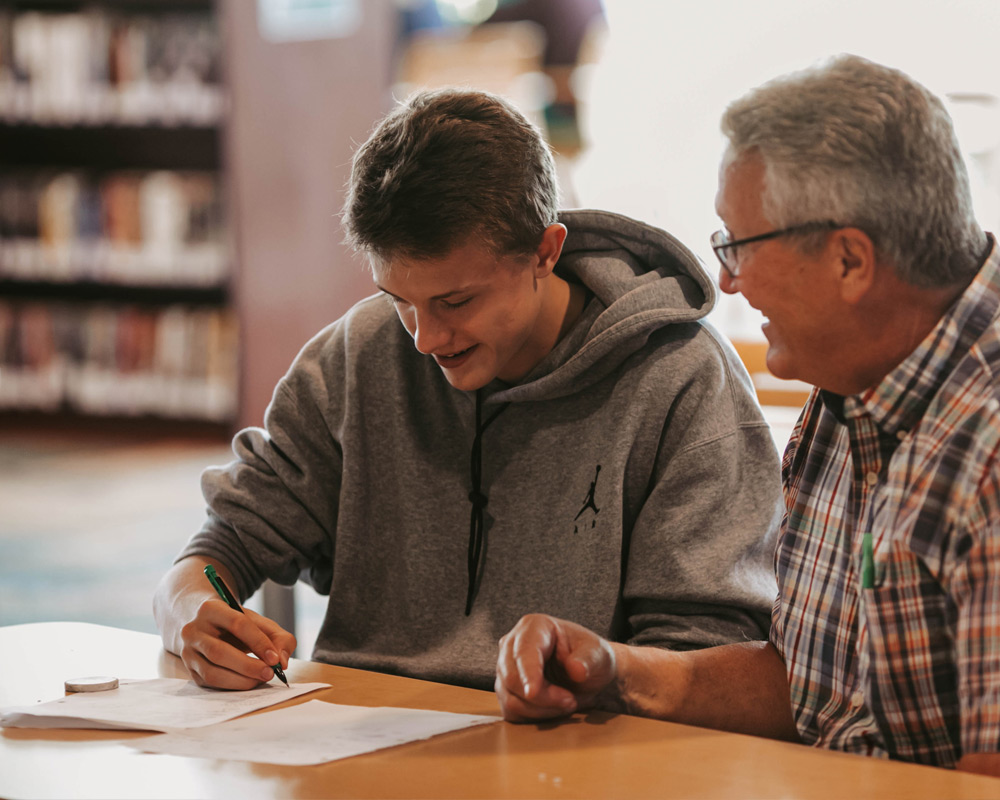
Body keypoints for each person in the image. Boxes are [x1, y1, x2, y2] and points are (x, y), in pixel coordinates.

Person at [153, 87, 782, 693]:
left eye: (456, 301)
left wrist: (591, 680)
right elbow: (221, 547)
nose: (426, 338)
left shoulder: (681, 380)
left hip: (581, 754)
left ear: (544, 251)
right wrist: (189, 606)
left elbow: (702, 656)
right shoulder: (357, 355)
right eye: (399, 300)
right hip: (359, 746)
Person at [495, 54, 1000, 777]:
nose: (726, 279)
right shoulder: (850, 385)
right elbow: (807, 684)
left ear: (850, 261)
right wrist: (610, 670)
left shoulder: (987, 444)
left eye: (738, 245)